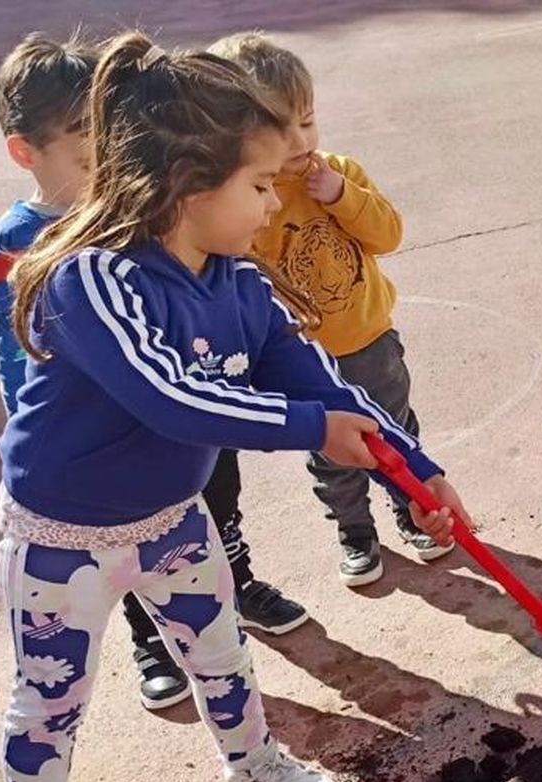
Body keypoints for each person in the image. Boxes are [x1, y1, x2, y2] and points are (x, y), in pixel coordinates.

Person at [0, 32, 472, 782]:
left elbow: (326, 382)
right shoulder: (95, 277)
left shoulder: (240, 282)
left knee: (223, 656)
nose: (272, 201)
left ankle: (252, 766)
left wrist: (414, 470)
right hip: (65, 541)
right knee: (48, 706)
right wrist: (311, 430)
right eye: (258, 186)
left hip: (174, 522)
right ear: (188, 184)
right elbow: (174, 398)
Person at [0, 35, 310, 715]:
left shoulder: (177, 247)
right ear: (28, 152)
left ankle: (237, 586)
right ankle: (151, 646)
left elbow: (232, 365)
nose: (109, 170)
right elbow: (16, 345)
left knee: (215, 517)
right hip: (87, 483)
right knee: (57, 683)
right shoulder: (59, 257)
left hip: (181, 443)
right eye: (85, 155)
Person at [212, 32, 451, 587]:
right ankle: (354, 532)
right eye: (282, 128)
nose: (301, 140)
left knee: (394, 430)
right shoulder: (251, 198)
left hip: (369, 340)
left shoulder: (339, 171)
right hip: (306, 357)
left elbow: (389, 233)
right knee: (334, 456)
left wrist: (342, 195)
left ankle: (408, 509)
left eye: (308, 121)